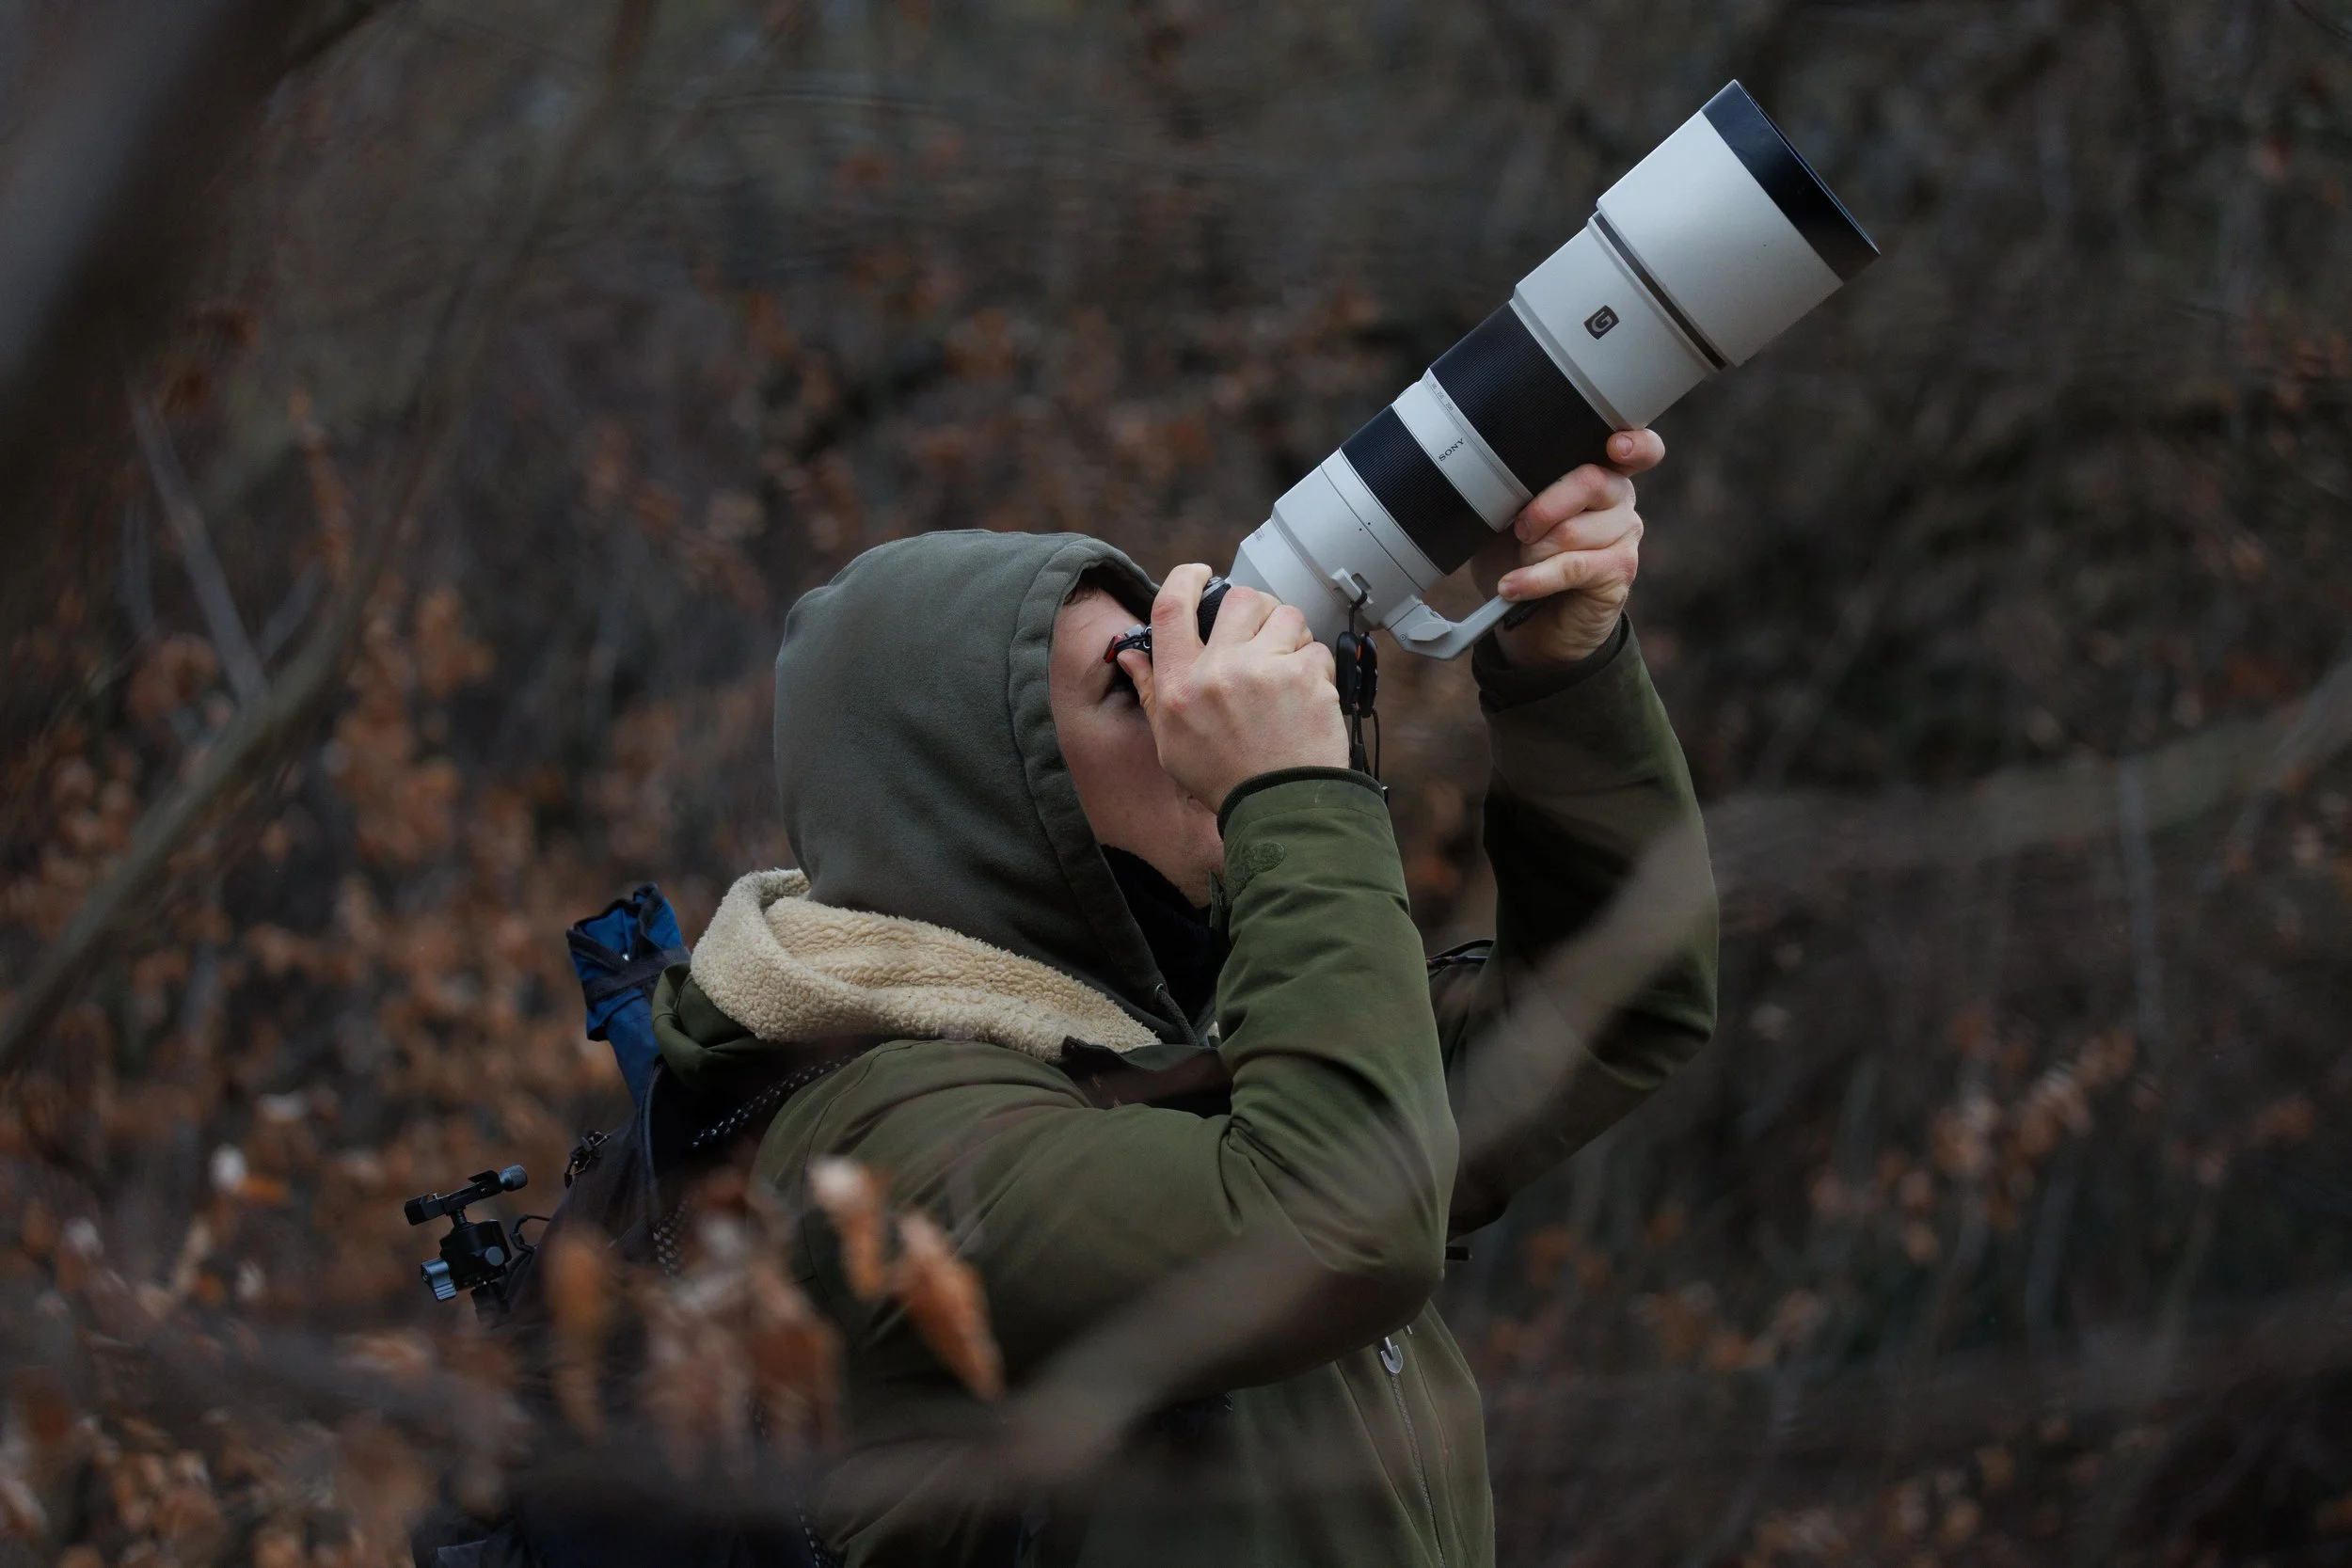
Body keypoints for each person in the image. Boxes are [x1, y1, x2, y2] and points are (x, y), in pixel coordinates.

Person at [652, 429, 1717, 1566]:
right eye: (1129, 681)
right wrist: (1292, 792)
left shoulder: (1160, 1053)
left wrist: (1557, 665)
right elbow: (1338, 1226)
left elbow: (1621, 995)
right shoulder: (881, 1154)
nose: (1186, 701)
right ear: (994, 797)